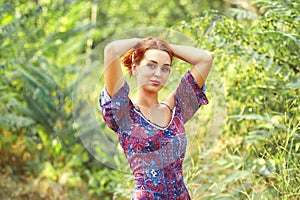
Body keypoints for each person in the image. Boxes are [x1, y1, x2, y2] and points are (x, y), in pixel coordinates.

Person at [99, 37, 214, 200]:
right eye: (151, 65)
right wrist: (143, 43)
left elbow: (206, 58)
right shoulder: (124, 113)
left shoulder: (176, 110)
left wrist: (164, 47)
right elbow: (111, 50)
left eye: (165, 68)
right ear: (135, 67)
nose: (158, 74)